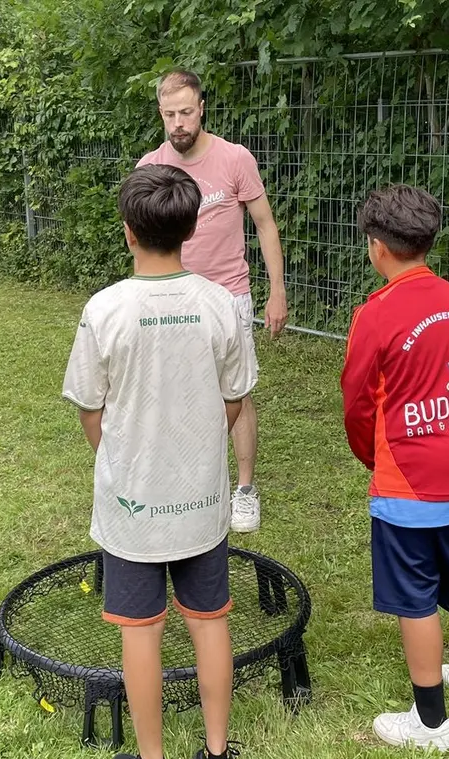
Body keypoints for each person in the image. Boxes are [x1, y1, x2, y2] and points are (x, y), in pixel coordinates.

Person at [62, 164, 258, 759]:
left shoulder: (105, 310)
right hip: (202, 504)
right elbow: (236, 400)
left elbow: (90, 410)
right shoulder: (220, 305)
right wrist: (194, 455)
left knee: (140, 634)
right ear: (194, 225)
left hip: (132, 509)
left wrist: (123, 460)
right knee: (210, 624)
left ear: (127, 233)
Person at [339, 184, 449, 752]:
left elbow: (357, 402)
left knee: (417, 597)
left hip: (408, 483)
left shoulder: (375, 315)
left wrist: (372, 457)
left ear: (377, 248)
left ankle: (430, 722)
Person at [137, 67, 287, 534]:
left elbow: (264, 224)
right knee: (173, 391)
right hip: (169, 299)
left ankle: (243, 489)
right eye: (169, 114)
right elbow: (141, 241)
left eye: (185, 112)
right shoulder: (151, 168)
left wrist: (276, 290)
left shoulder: (235, 159)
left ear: (201, 108)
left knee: (235, 392)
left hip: (228, 298)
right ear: (160, 115)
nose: (178, 122)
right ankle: (184, 479)